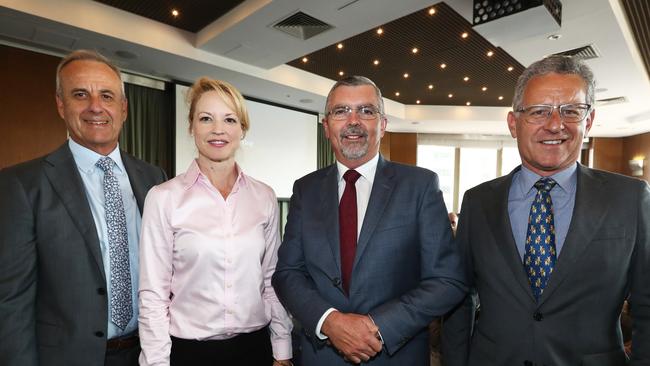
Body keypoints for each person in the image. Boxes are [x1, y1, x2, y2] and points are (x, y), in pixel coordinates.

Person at [442, 55, 650, 365]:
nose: (555, 125)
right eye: (539, 112)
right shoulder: (478, 201)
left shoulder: (630, 198)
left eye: (571, 111)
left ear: (588, 121)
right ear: (514, 123)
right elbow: (459, 299)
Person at [272, 75, 467, 365]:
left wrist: (377, 326)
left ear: (383, 124)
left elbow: (447, 280)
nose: (353, 121)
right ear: (326, 127)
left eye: (366, 111)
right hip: (322, 357)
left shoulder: (420, 185)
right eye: (341, 111)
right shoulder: (305, 189)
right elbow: (287, 273)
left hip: (395, 354)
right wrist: (330, 322)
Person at [0, 50, 167, 366]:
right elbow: (10, 302)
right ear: (61, 105)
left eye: (107, 95)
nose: (96, 106)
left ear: (124, 108)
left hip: (148, 354)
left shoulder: (154, 178)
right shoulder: (21, 185)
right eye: (80, 94)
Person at [137, 77, 292, 366]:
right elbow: (153, 296)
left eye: (230, 120)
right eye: (206, 118)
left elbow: (271, 281)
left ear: (242, 129)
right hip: (189, 354)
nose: (218, 129)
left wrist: (282, 349)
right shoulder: (163, 198)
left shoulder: (264, 197)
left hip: (254, 349)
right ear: (191, 126)